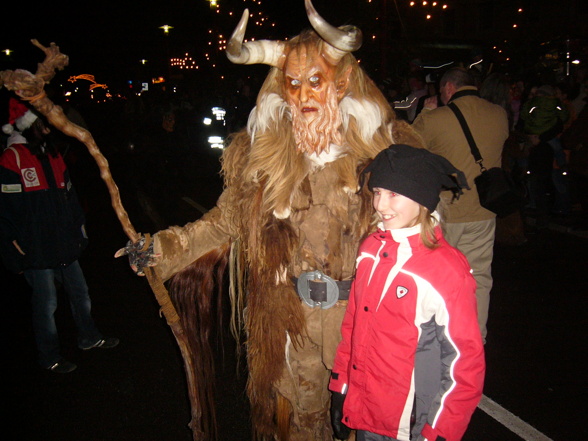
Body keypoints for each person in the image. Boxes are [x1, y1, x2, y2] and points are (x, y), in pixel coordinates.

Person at [116, 1, 423, 439]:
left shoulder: (384, 154)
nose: (304, 97)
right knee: (294, 420)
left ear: (342, 82)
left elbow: (419, 237)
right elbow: (224, 222)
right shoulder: (264, 161)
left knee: (361, 421)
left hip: (359, 317)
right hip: (288, 316)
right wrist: (161, 248)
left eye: (315, 82)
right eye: (293, 84)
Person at [329, 144, 485, 441]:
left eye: (393, 194)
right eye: (377, 192)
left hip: (408, 425)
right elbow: (353, 326)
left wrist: (442, 430)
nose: (380, 205)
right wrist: (341, 386)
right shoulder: (370, 249)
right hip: (365, 410)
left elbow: (464, 361)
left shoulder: (445, 269)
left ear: (422, 199)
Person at [0, 98, 119, 374]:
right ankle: (50, 356)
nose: (49, 128)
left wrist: (80, 231)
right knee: (47, 304)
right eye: (43, 123)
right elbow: (6, 213)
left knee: (81, 294)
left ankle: (89, 337)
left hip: (65, 243)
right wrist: (15, 251)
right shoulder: (12, 159)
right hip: (37, 250)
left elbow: (71, 198)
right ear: (29, 124)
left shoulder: (52, 155)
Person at [412, 67, 509, 343]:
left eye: (442, 91)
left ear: (449, 88)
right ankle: (474, 338)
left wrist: (425, 113)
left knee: (438, 278)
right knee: (478, 278)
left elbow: (408, 145)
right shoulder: (499, 114)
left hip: (447, 211)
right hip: (484, 210)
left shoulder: (437, 118)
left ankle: (439, 342)